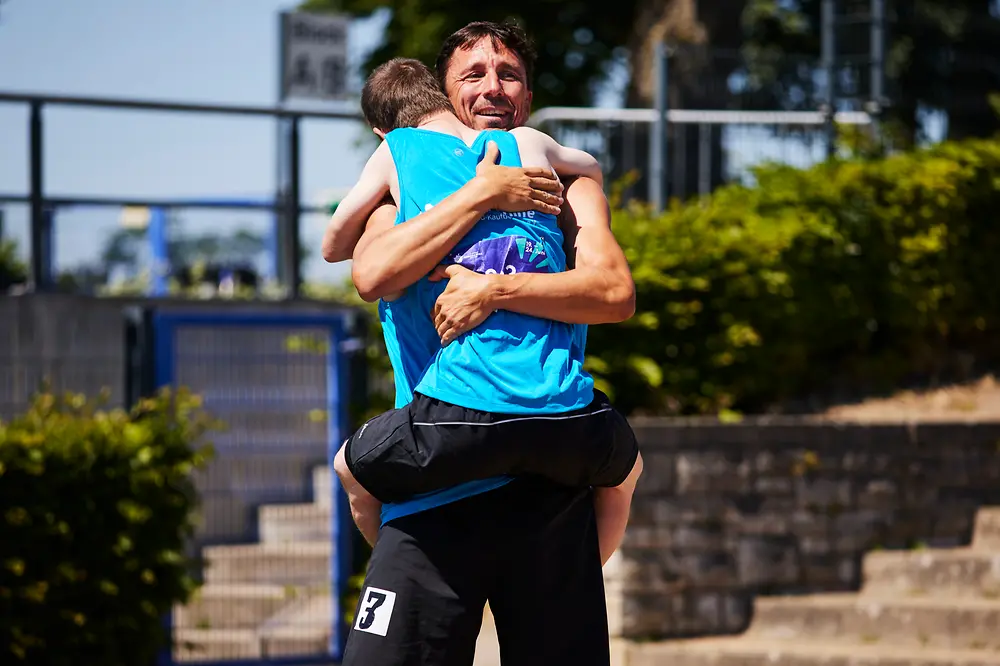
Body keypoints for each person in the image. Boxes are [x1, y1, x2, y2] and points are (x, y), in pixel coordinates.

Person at [328, 21, 636, 666]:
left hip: (543, 481)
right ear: (442, 96)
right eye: (472, 74)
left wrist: (495, 291)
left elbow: (611, 293)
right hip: (437, 488)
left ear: (528, 92)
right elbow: (371, 273)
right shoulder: (404, 181)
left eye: (509, 74)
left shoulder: (565, 184)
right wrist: (483, 192)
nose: (493, 87)